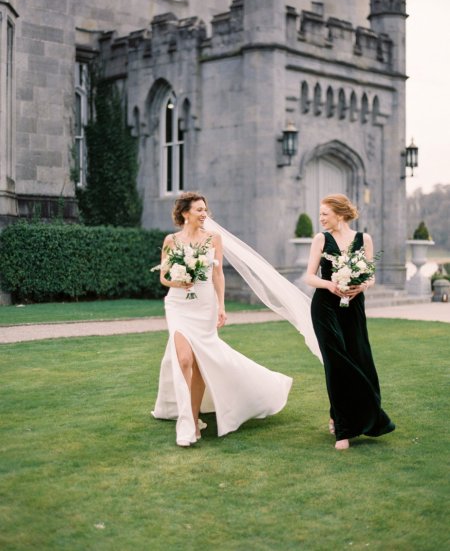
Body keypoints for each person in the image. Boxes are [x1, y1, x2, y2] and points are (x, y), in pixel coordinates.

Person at [151, 192, 293, 447]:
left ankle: (194, 420)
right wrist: (178, 281)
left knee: (203, 359)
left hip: (205, 304)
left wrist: (222, 306)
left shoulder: (213, 238)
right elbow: (163, 277)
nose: (204, 214)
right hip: (177, 304)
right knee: (183, 359)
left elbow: (218, 275)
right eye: (198, 210)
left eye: (205, 209)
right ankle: (186, 421)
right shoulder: (171, 240)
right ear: (185, 213)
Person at [305, 194, 395, 450]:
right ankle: (343, 430)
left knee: (358, 359)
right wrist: (330, 285)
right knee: (336, 363)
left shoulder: (363, 239)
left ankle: (347, 415)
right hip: (325, 307)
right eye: (320, 214)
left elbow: (371, 276)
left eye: (324, 213)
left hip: (353, 306)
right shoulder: (320, 239)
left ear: (340, 214)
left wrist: (362, 284)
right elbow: (309, 277)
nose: (320, 218)